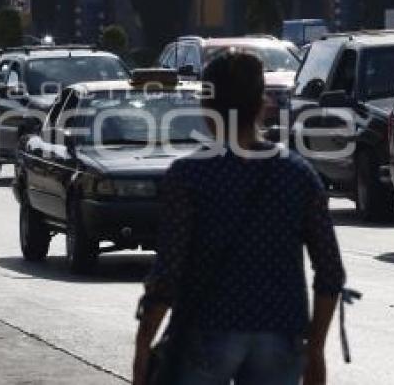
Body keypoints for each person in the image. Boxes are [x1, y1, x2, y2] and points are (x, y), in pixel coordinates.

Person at [133, 50, 345, 385]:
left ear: (207, 109)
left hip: (206, 331)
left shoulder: (189, 176)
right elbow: (330, 271)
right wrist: (314, 349)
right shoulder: (298, 174)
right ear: (262, 104)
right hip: (280, 333)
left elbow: (168, 273)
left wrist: (144, 342)